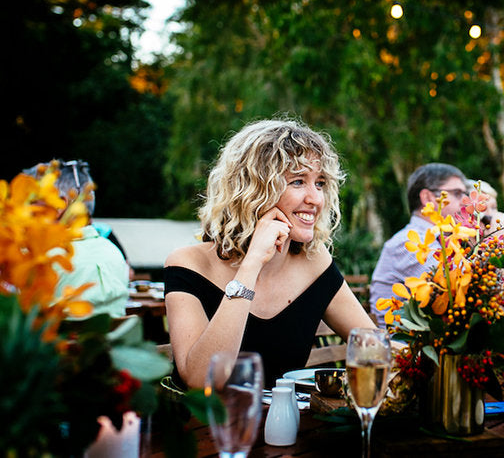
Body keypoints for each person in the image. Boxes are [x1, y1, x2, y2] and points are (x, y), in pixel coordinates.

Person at [163, 118, 375, 389]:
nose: (316, 199)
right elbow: (200, 380)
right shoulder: (189, 264)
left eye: (319, 183)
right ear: (253, 189)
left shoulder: (314, 262)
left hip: (290, 428)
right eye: (298, 181)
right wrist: (251, 265)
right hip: (209, 429)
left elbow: (372, 345)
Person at [25, 160, 131, 318]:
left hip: (58, 342)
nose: (26, 211)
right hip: (112, 342)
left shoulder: (45, 259)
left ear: (60, 205)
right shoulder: (114, 253)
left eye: (33, 203)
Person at [369, 163, 468, 326]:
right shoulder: (409, 242)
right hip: (397, 346)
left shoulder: (439, 239)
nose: (464, 202)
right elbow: (460, 288)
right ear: (428, 198)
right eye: (457, 193)